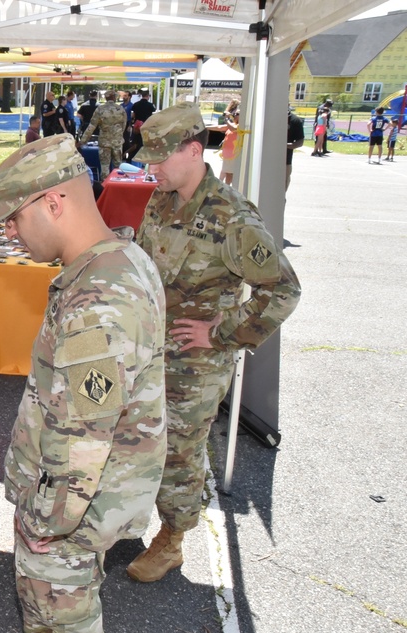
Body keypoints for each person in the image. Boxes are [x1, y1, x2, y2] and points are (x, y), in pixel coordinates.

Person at [0, 134, 166, 633]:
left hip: (70, 512)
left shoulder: (98, 302)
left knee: (66, 630)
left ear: (54, 203)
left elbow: (84, 437)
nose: (8, 231)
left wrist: (47, 523)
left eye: (15, 217)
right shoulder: (121, 258)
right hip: (90, 503)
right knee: (54, 622)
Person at [128, 103, 301, 583]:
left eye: (160, 158)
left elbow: (283, 290)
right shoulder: (161, 200)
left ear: (193, 150)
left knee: (181, 450)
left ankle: (173, 539)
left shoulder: (232, 215)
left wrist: (221, 331)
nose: (151, 168)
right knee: (143, 440)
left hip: (196, 363)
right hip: (149, 350)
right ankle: (139, 518)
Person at [79, 90, 126, 180]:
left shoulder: (100, 109)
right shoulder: (121, 109)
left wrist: (83, 141)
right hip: (117, 141)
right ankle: (118, 185)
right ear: (115, 97)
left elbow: (91, 126)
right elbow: (123, 125)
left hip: (104, 142)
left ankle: (104, 187)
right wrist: (118, 135)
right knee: (118, 166)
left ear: (105, 98)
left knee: (104, 167)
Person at [216, 99, 241, 186]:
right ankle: (222, 187)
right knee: (226, 173)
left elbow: (232, 128)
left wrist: (227, 119)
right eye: (235, 114)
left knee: (230, 174)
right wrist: (205, 127)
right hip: (227, 155)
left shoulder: (240, 127)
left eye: (237, 114)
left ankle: (227, 189)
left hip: (234, 155)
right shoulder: (232, 124)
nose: (235, 115)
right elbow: (219, 127)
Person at [127, 89, 157, 161]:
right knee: (145, 142)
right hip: (146, 126)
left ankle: (132, 156)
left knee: (135, 142)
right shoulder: (150, 105)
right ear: (148, 96)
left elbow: (133, 115)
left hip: (137, 126)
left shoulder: (136, 104)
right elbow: (153, 111)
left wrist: (131, 124)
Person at [285, 106, 305, 191]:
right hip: (267, 160)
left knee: (282, 190)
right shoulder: (268, 118)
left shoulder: (295, 120)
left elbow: (300, 141)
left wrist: (285, 145)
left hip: (286, 161)